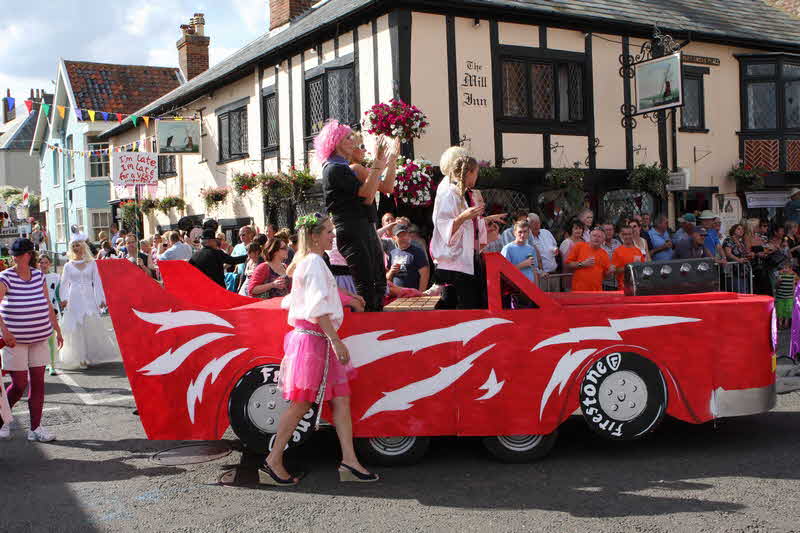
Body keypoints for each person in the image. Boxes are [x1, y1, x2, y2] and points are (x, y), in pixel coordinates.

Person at [264, 213, 377, 485]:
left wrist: (348, 300)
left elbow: (315, 297)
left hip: (316, 338)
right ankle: (273, 459)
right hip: (315, 339)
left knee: (339, 400)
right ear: (314, 235)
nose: (332, 235)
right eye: (328, 231)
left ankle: (349, 460)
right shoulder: (314, 261)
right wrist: (336, 340)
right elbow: (317, 307)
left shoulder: (309, 261)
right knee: (302, 403)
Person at [320, 120, 392, 311]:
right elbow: (367, 194)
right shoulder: (334, 169)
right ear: (335, 142)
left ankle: (375, 325)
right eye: (347, 138)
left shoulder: (342, 167)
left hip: (363, 227)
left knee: (378, 282)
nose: (352, 141)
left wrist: (384, 162)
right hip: (351, 229)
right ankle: (367, 329)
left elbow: (368, 199)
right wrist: (378, 163)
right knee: (366, 286)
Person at [0, 239, 63, 442]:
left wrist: (57, 328)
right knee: (19, 384)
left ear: (28, 255)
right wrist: (5, 331)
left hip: (40, 337)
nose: (15, 258)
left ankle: (35, 428)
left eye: (18, 254)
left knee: (38, 382)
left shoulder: (38, 276)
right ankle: (1, 419)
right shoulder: (5, 277)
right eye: (13, 255)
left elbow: (46, 303)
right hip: (14, 341)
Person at [430, 147, 505, 309]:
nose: (477, 176)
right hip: (454, 263)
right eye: (476, 172)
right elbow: (443, 225)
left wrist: (485, 221)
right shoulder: (448, 192)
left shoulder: (462, 192)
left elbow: (467, 225)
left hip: (465, 260)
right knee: (462, 308)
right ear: (468, 172)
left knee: (472, 305)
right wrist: (465, 216)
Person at [58, 238, 119, 370]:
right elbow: (64, 284)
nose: (75, 248)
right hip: (74, 298)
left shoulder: (92, 264)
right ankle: (81, 357)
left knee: (90, 324)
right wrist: (63, 299)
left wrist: (101, 299)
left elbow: (97, 282)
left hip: (89, 296)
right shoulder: (68, 265)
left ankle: (90, 355)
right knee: (77, 327)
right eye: (73, 246)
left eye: (77, 245)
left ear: (83, 246)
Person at [566, 227, 613, 292]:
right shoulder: (579, 246)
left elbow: (605, 276)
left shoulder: (604, 254)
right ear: (590, 237)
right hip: (579, 290)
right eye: (594, 235)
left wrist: (610, 272)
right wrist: (582, 264)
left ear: (603, 240)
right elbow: (568, 264)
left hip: (597, 291)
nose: (596, 238)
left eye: (599, 237)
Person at [37, 254, 62, 376]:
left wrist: (60, 308)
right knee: (42, 340)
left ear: (50, 264)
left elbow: (59, 294)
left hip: (52, 310)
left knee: (51, 338)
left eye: (46, 262)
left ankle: (52, 366)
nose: (43, 265)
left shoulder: (56, 277)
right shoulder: (34, 277)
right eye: (41, 262)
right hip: (38, 310)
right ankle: (44, 362)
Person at [387, 223, 430, 291]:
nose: (404, 238)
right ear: (394, 238)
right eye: (400, 236)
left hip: (412, 295)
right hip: (396, 295)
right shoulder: (392, 253)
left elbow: (425, 275)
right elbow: (387, 278)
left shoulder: (417, 251)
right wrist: (391, 272)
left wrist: (421, 294)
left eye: (405, 234)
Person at [775, 260, 798, 329]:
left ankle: (786, 323)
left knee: (788, 311)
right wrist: (778, 281)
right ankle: (780, 324)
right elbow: (776, 286)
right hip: (780, 296)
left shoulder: (793, 276)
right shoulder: (780, 275)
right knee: (780, 311)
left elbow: (795, 285)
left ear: (790, 269)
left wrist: (794, 294)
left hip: (789, 296)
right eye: (783, 268)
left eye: (786, 268)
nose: (784, 270)